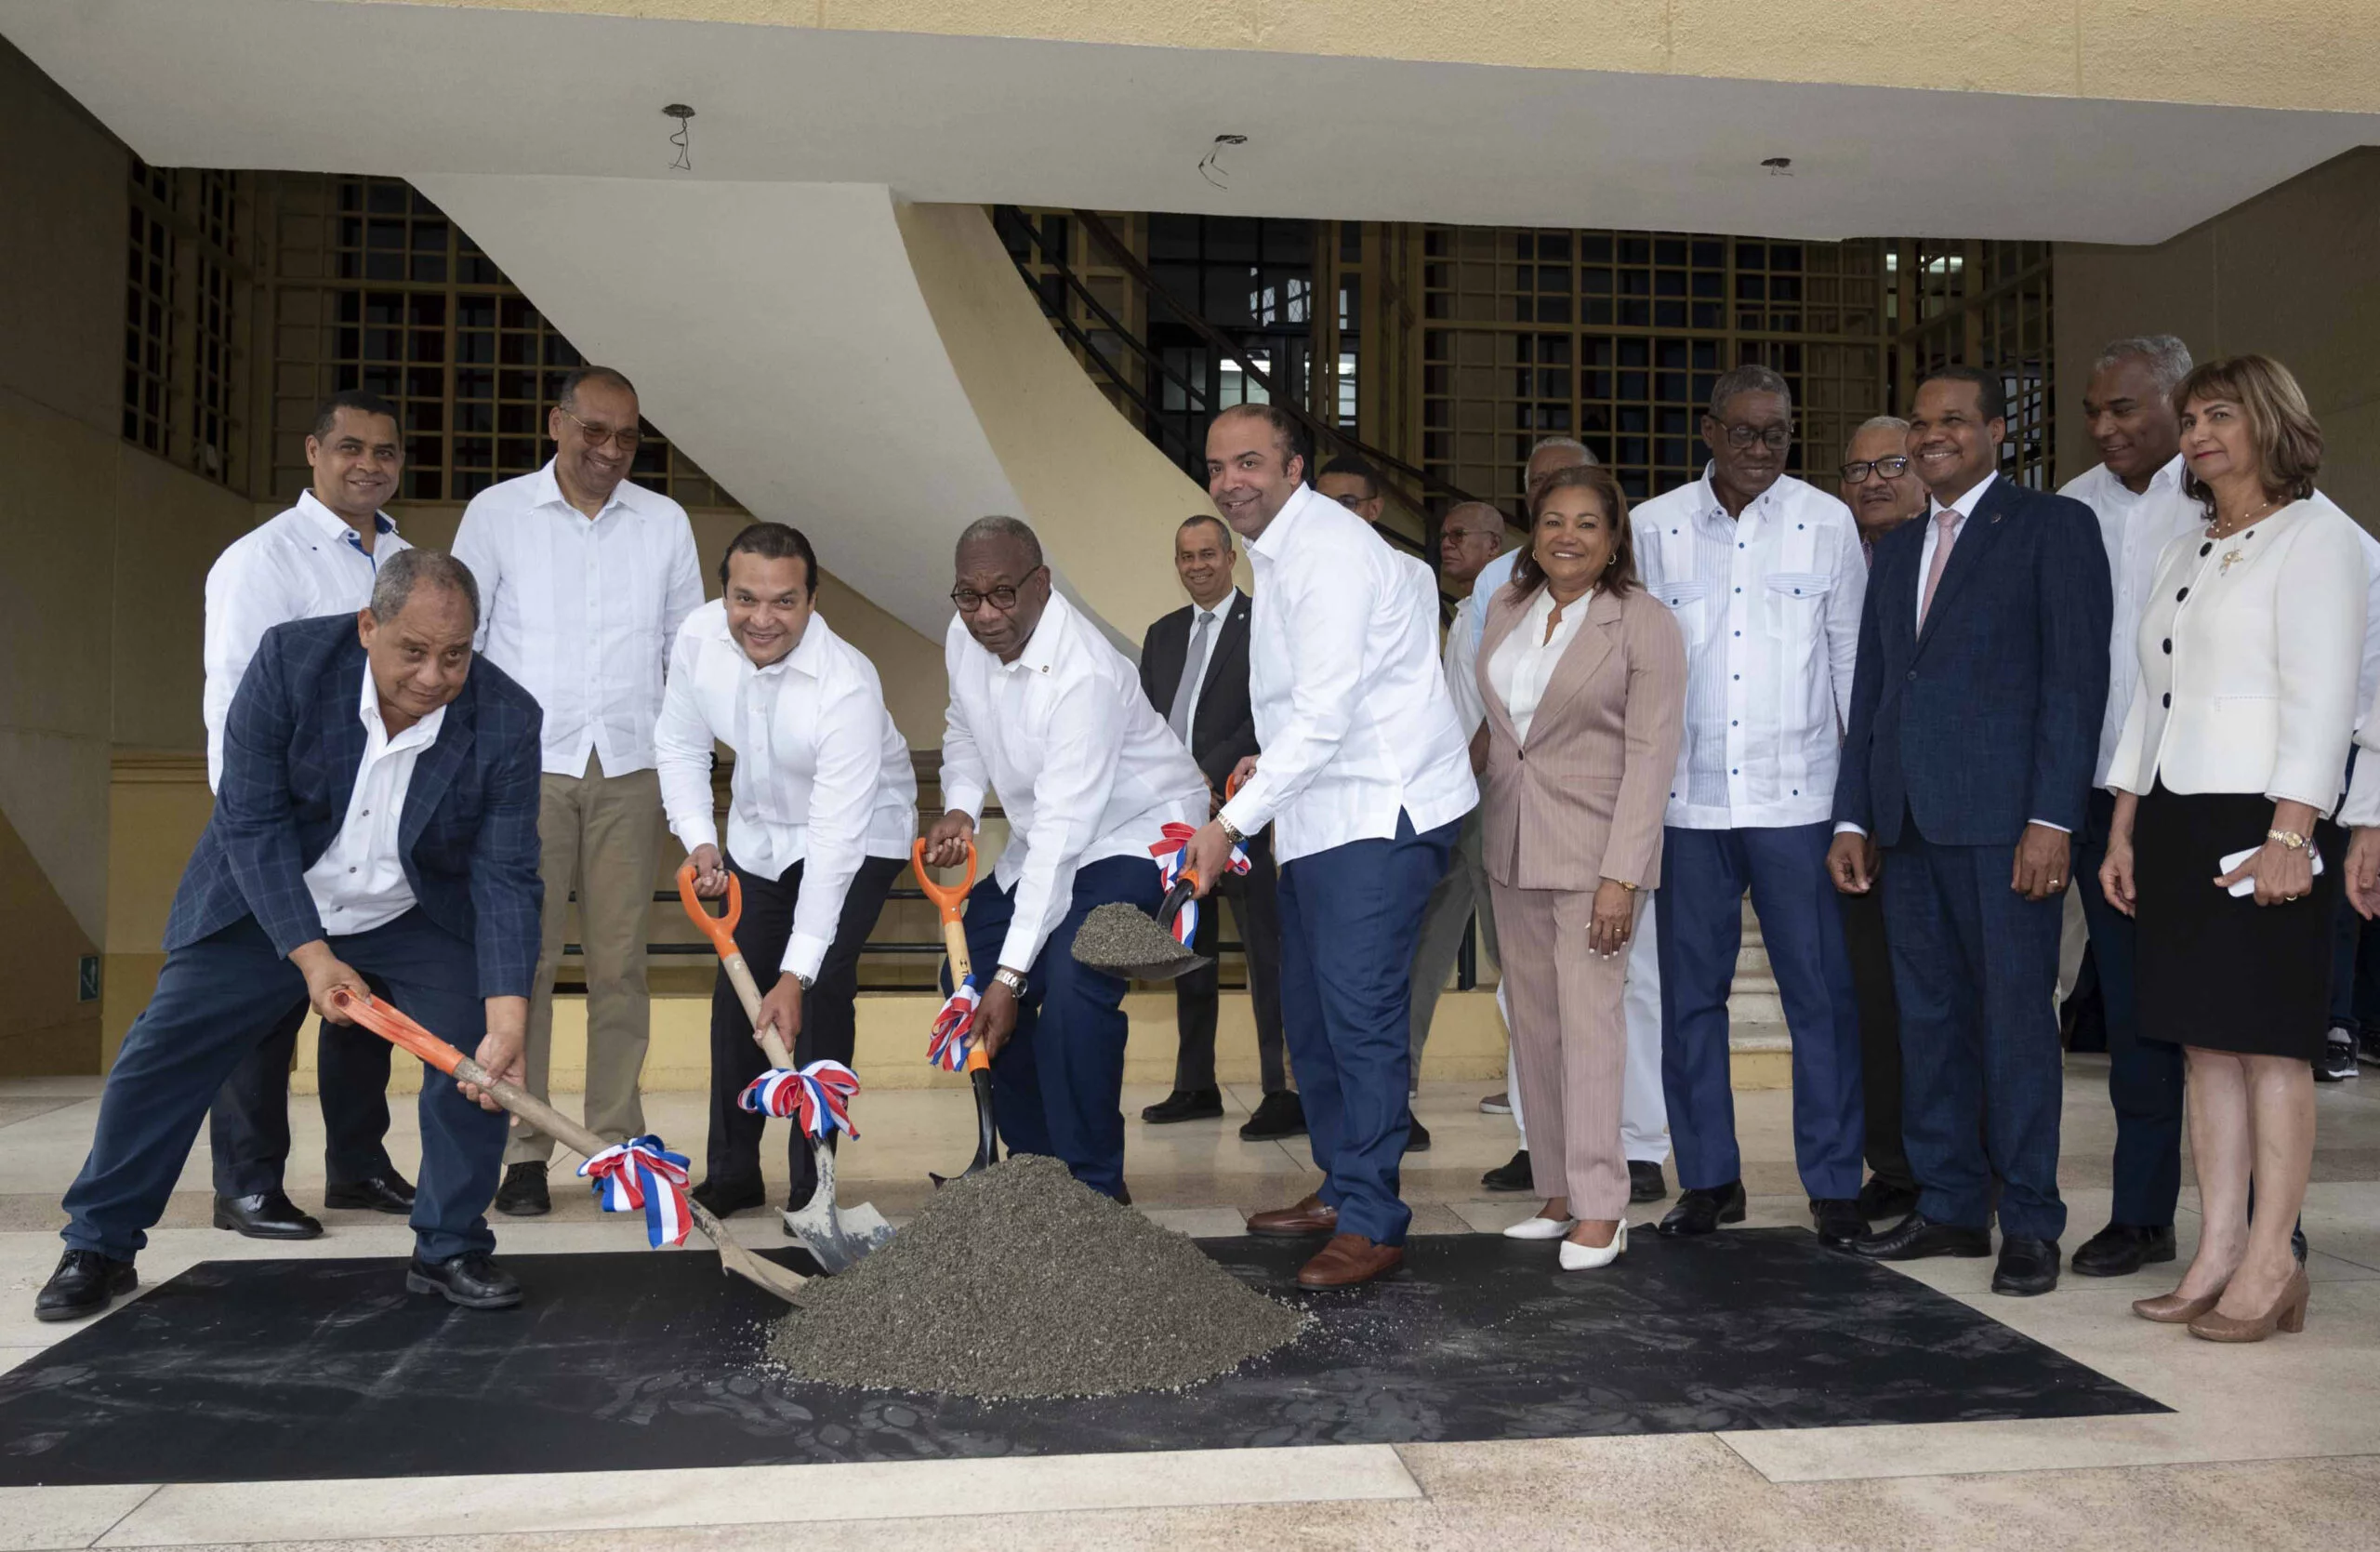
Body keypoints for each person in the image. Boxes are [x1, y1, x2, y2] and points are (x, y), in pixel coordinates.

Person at [36, 552, 543, 1321]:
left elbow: (506, 873)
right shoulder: (291, 661)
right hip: (271, 895)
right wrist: (311, 956)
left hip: (411, 911)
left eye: (455, 654)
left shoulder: (506, 716)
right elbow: (253, 819)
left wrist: (508, 1021)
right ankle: (99, 1243)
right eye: (413, 650)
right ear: (368, 626)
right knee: (164, 1046)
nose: (435, 675)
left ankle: (451, 1246)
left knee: (476, 1055)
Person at [1831, 365, 2111, 1297]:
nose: (1929, 434)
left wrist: (2051, 817)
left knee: (2011, 1026)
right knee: (1930, 1022)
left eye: (1952, 419)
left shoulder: (2052, 528)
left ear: (1997, 429)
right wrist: (1855, 813)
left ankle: (2029, 1218)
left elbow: (2072, 683)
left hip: (2005, 827)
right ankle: (1950, 1206)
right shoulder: (1901, 545)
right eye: (1919, 421)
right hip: (1905, 826)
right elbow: (1875, 691)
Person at [1181, 405, 1475, 1289]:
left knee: (1361, 1018)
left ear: (1294, 467)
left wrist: (1226, 824)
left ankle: (1376, 1216)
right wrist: (1258, 770)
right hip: (1313, 818)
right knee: (1310, 1019)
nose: (1231, 480)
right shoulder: (1280, 554)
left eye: (1250, 462)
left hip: (1377, 816)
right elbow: (1303, 711)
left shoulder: (1331, 553)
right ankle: (1343, 1186)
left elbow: (1327, 716)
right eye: (1217, 465)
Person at [2105, 354, 2358, 1341]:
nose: (2200, 433)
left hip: (2264, 817)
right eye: (2190, 417)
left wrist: (2294, 832)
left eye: (2221, 414)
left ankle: (2269, 1262)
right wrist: (2124, 820)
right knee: (2203, 1044)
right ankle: (2213, 1250)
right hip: (2177, 814)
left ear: (2268, 423)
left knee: (2271, 1048)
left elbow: (2325, 696)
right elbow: (2152, 696)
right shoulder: (2188, 547)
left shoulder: (2318, 538)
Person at [452, 365, 705, 1217]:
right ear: (556, 424)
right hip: (525, 772)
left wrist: (683, 785)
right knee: (519, 966)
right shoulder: (496, 515)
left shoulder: (665, 523)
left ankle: (616, 1145)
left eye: (627, 438)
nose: (609, 452)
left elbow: (687, 660)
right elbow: (467, 648)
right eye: (593, 432)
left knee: (620, 966)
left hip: (629, 770)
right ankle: (523, 1147)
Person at [1637, 365, 1868, 1248]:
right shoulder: (1654, 528)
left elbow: (1850, 666)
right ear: (1708, 431)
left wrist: (1854, 811)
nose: (1761, 449)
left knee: (1823, 998)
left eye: (1777, 433)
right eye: (1743, 432)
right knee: (1691, 1002)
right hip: (1687, 808)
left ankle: (1834, 1183)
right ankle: (1709, 1179)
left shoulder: (1827, 521)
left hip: (1799, 803)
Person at [921, 517, 1207, 1201]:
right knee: (967, 975)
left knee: (1075, 978)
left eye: (1003, 594)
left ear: (1041, 583)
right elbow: (962, 723)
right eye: (968, 594)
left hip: (1142, 830)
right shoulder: (965, 636)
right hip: (1052, 837)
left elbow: (1062, 834)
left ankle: (1094, 1187)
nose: (986, 614)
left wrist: (1012, 981)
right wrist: (962, 803)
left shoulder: (1085, 674)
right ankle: (1037, 1172)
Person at [197, 390, 418, 1240]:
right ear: (313, 452)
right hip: (283, 821)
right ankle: (247, 1183)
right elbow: (231, 701)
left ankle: (358, 1165)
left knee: (367, 1000)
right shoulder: (263, 559)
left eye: (386, 452)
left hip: (377, 819)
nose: (369, 464)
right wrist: (247, 827)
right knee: (264, 1004)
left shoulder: (404, 558)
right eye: (351, 447)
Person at [656, 523, 916, 1220]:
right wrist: (698, 839)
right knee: (736, 998)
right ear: (724, 592)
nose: (762, 619)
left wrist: (796, 974)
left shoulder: (847, 686)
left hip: (860, 834)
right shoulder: (698, 639)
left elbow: (834, 841)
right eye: (746, 598)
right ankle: (735, 1171)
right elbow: (679, 743)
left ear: (812, 599)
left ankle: (815, 1180)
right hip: (759, 831)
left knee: (821, 989)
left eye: (784, 602)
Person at [1478, 463, 1686, 1269]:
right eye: (1553, 520)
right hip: (1511, 844)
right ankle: (1558, 1188)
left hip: (1597, 855)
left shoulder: (1644, 623)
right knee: (1535, 1025)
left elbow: (1651, 757)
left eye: (1587, 524)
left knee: (1592, 1027)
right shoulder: (1507, 607)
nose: (1567, 536)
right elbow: (1499, 733)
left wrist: (1622, 876)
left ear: (1613, 540)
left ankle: (1603, 1205)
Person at [2056, 336, 2208, 1279]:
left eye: (2124, 408)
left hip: (2213, 798)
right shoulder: (2069, 507)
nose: (2105, 426)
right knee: (2140, 1022)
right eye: (2093, 411)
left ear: (2181, 399)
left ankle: (2257, 1216)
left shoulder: (2238, 495)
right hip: (2102, 799)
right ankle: (2142, 1213)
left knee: (2235, 1022)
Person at [1136, 514, 1298, 1140]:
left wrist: (1204, 773)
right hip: (1179, 826)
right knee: (1189, 953)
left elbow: (1269, 715)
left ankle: (1281, 1090)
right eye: (1185, 556)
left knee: (1268, 957)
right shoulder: (1162, 634)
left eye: (1208, 553)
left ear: (1231, 558)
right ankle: (1195, 1084)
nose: (1196, 564)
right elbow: (1147, 722)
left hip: (1246, 816)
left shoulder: (1264, 625)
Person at [1835, 416, 1929, 1224]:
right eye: (1856, 468)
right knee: (1874, 1000)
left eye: (1892, 463)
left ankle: (1965, 1166)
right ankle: (1894, 1165)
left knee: (1947, 1002)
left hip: (1945, 816)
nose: (1872, 480)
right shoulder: (1837, 562)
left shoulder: (1956, 552)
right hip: (1857, 814)